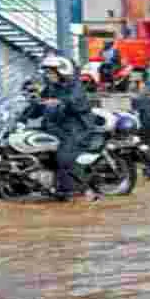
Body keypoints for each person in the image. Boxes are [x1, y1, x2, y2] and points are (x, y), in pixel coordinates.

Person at [25, 56, 97, 202]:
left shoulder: (75, 86)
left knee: (64, 157)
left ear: (62, 72)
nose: (48, 75)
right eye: (47, 72)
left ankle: (73, 191)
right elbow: (39, 105)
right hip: (56, 127)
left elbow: (75, 102)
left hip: (77, 128)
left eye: (51, 72)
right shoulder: (51, 87)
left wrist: (60, 102)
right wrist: (23, 113)